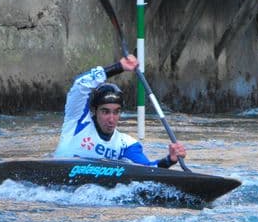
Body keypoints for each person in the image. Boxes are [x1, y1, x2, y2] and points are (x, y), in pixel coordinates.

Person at [55, 54, 186, 168]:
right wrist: (119, 67)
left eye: (116, 112)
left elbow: (147, 169)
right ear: (95, 111)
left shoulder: (126, 144)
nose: (111, 119)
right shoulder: (77, 120)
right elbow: (81, 84)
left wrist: (169, 160)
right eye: (105, 112)